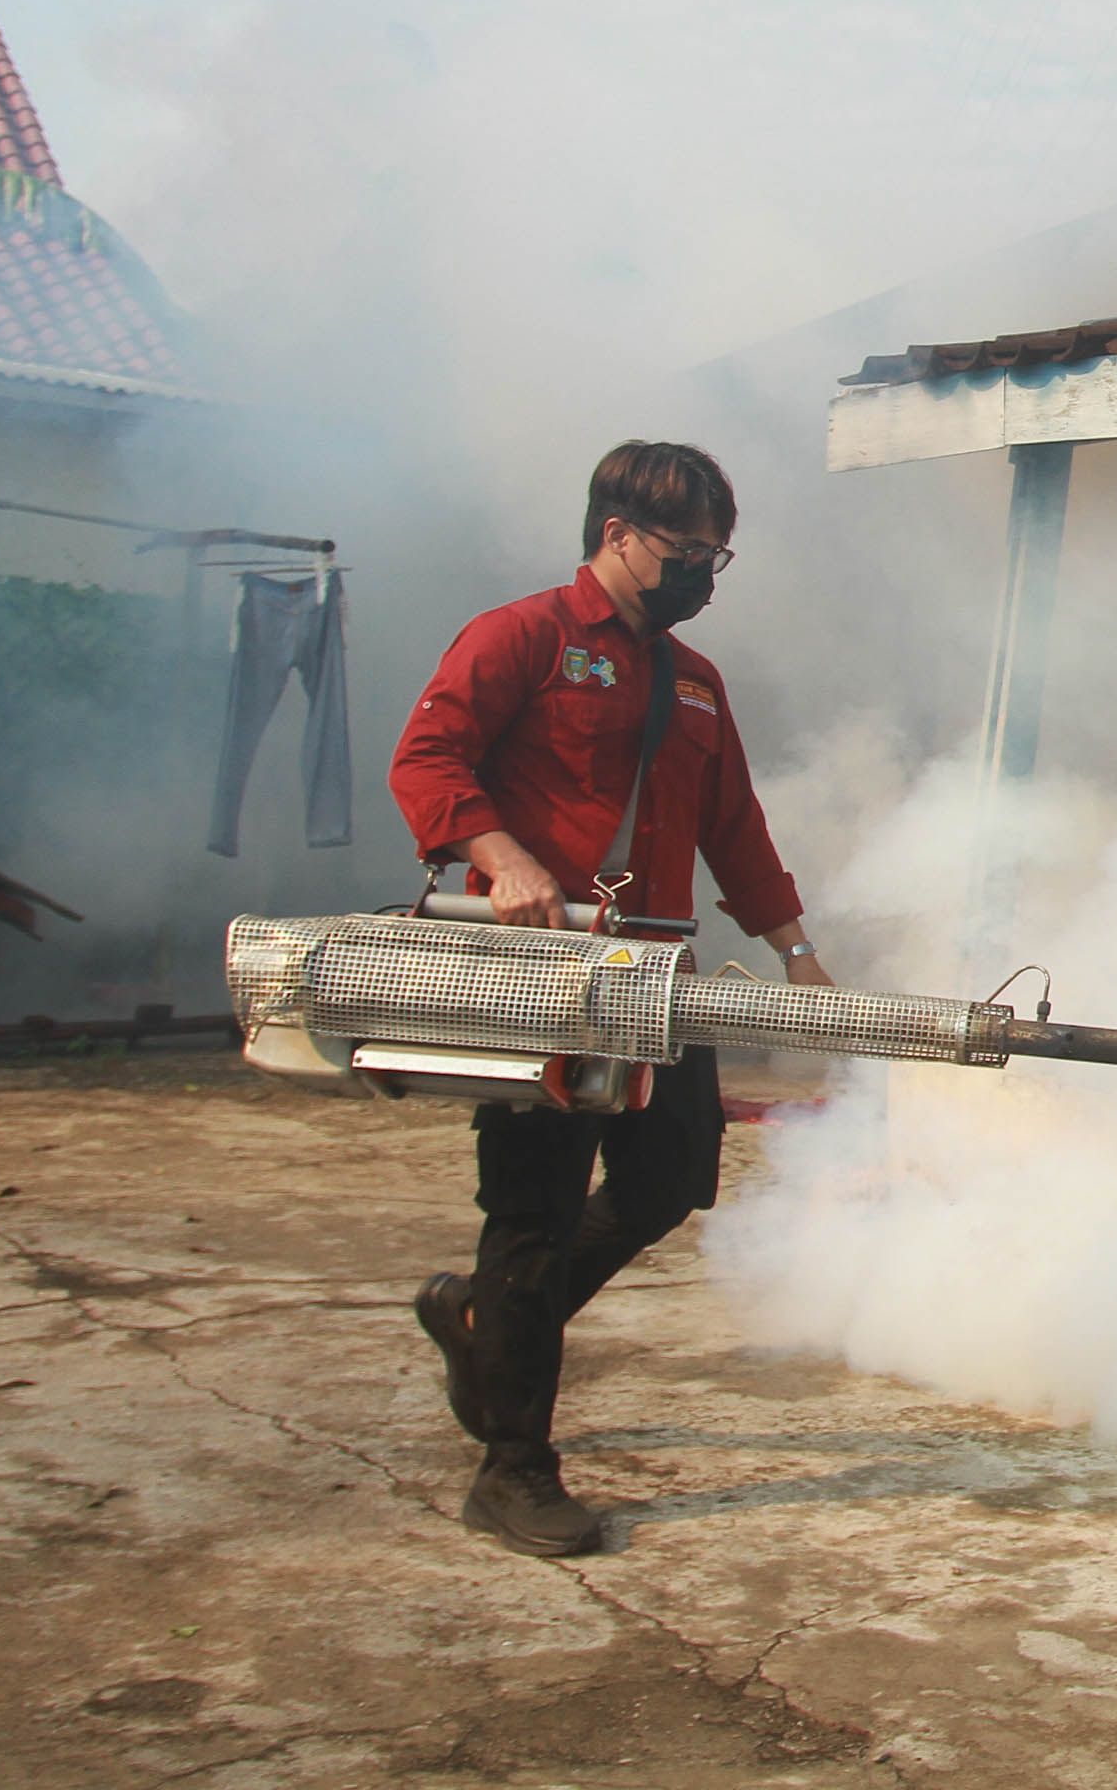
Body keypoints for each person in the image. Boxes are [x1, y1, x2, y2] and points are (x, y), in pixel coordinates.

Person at [386, 440, 832, 1556]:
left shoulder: (693, 681)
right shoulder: (522, 639)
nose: (700, 574)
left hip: (656, 975)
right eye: (685, 550)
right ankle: (514, 1467)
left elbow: (734, 824)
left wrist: (793, 946)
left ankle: (486, 1327)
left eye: (716, 557)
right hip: (549, 969)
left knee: (674, 1180)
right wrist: (506, 860)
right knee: (532, 1214)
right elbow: (429, 762)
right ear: (616, 533)